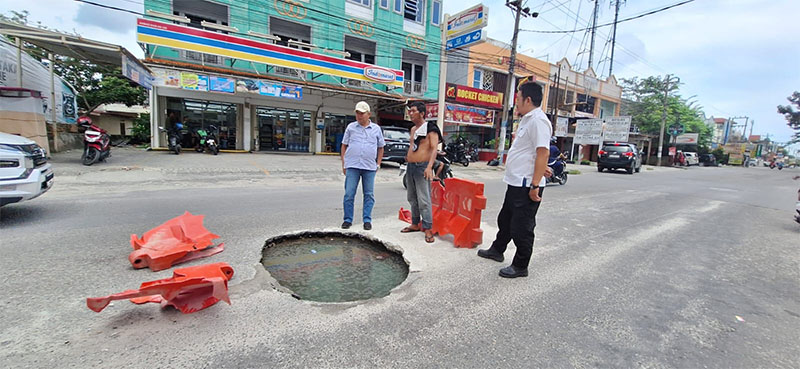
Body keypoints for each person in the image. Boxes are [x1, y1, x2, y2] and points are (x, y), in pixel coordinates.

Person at [477, 82, 552, 278]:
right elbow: (531, 152)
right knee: (506, 219)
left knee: (522, 227)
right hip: (516, 182)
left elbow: (543, 152)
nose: (515, 103)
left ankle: (521, 265)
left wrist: (535, 184)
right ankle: (497, 250)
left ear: (528, 99)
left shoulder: (538, 120)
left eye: (517, 99)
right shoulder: (527, 119)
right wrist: (542, 168)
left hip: (527, 185)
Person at [400, 101, 442, 243]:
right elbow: (412, 146)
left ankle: (428, 228)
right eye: (409, 111)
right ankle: (415, 223)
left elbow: (434, 148)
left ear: (422, 113)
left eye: (413, 111)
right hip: (411, 167)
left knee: (424, 199)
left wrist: (429, 167)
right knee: (412, 197)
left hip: (422, 166)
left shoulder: (431, 129)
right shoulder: (413, 129)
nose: (410, 113)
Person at [340, 101, 385, 230]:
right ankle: (347, 220)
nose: (359, 116)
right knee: (349, 194)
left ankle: (367, 220)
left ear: (368, 114)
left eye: (362, 113)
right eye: (357, 113)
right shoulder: (351, 127)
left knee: (369, 194)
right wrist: (344, 163)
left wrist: (378, 164)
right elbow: (344, 145)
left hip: (369, 167)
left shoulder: (376, 129)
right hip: (352, 166)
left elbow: (380, 148)